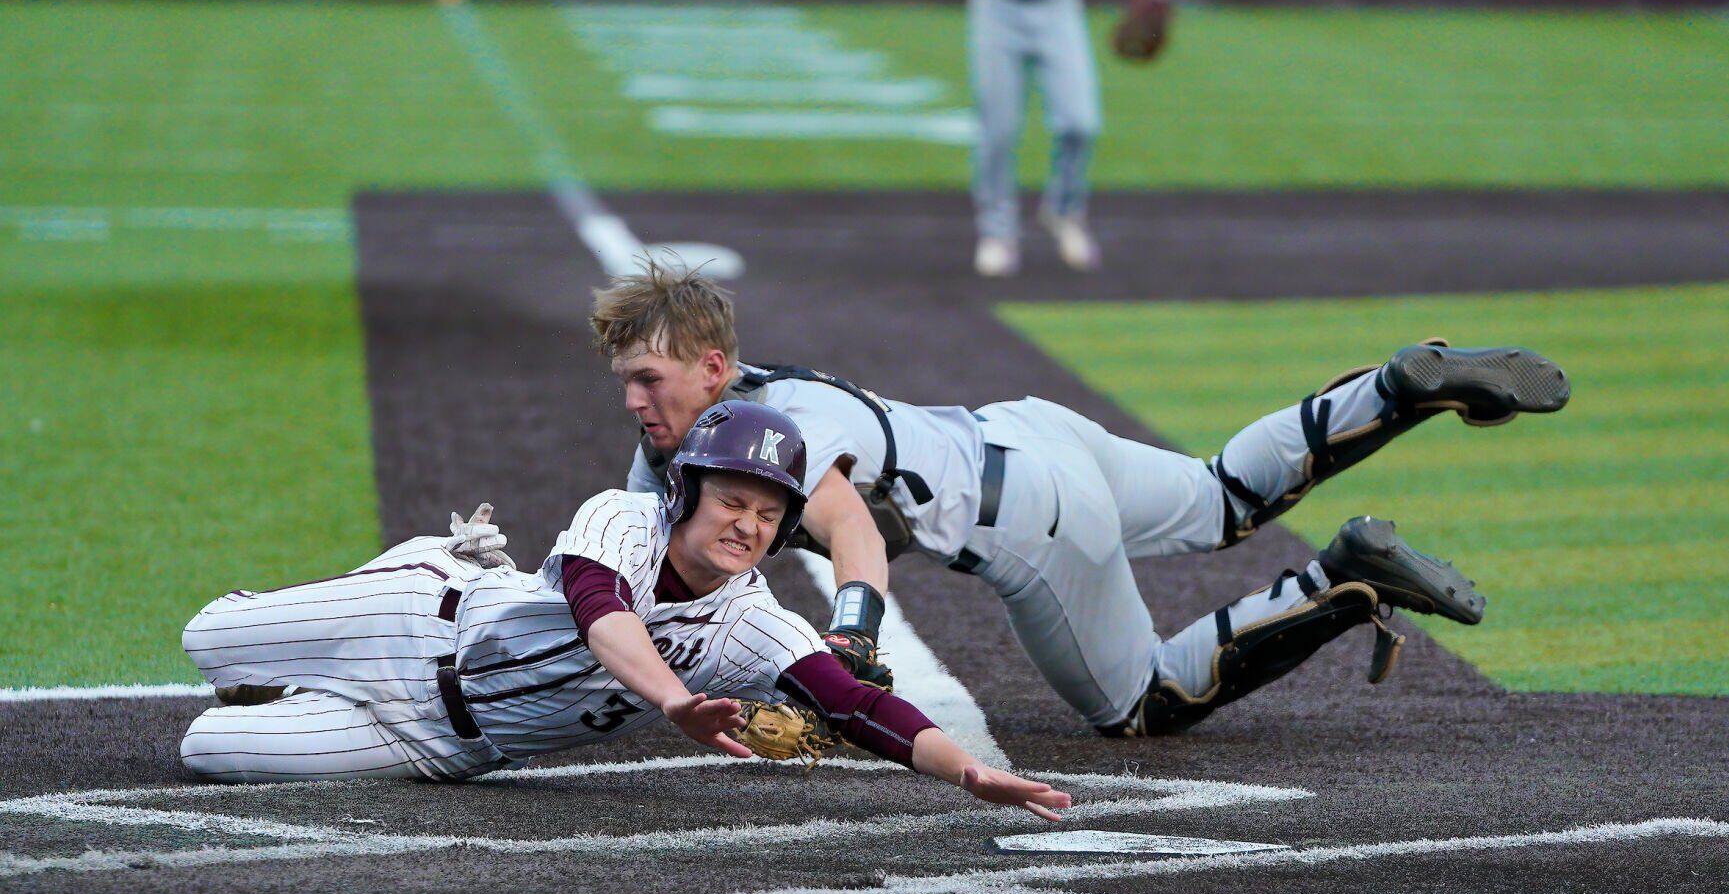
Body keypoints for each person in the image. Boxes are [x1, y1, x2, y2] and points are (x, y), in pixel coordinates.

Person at [591, 264, 1572, 736]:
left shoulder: (777, 432)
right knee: (1221, 493)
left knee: (1139, 705)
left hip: (1031, 526)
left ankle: (1343, 578)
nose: (634, 399)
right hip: (1028, 430)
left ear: (712, 366)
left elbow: (846, 523)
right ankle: (1393, 389)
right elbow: (646, 543)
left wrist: (850, 635)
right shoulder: (717, 425)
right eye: (626, 380)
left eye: (648, 379)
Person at [177, 402, 1071, 821]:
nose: (747, 526)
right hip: (411, 617)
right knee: (205, 638)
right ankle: (434, 555)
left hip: (441, 744)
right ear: (686, 492)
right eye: (731, 501)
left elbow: (853, 702)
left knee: (205, 749)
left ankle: (298, 701)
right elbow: (601, 612)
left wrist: (965, 772)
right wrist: (674, 701)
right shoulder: (623, 517)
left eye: (767, 514)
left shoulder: (754, 626)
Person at [890, 0, 1172, 277]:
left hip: (1059, 3)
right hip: (996, 3)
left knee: (1080, 123)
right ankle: (997, 232)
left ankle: (1063, 210)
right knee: (998, 129)